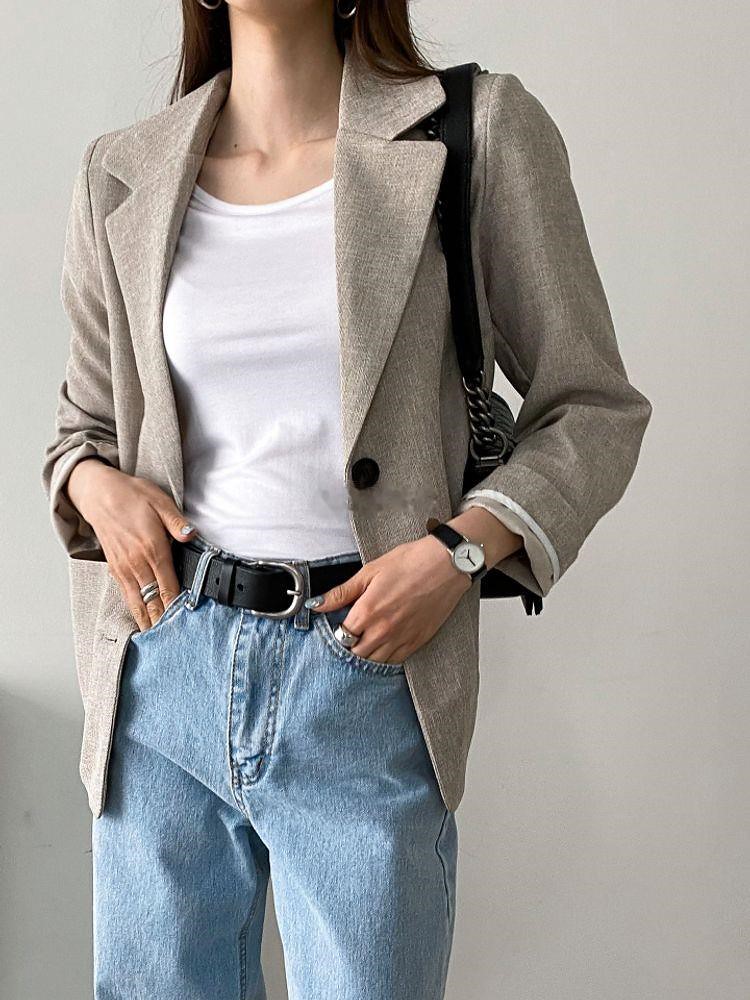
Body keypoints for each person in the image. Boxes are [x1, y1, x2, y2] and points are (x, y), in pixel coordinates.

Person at [40, 1, 652, 997]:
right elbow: (82, 429)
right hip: (159, 665)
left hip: (366, 668)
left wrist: (458, 554)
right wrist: (93, 486)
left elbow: (593, 407)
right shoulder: (122, 168)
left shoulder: (475, 132)